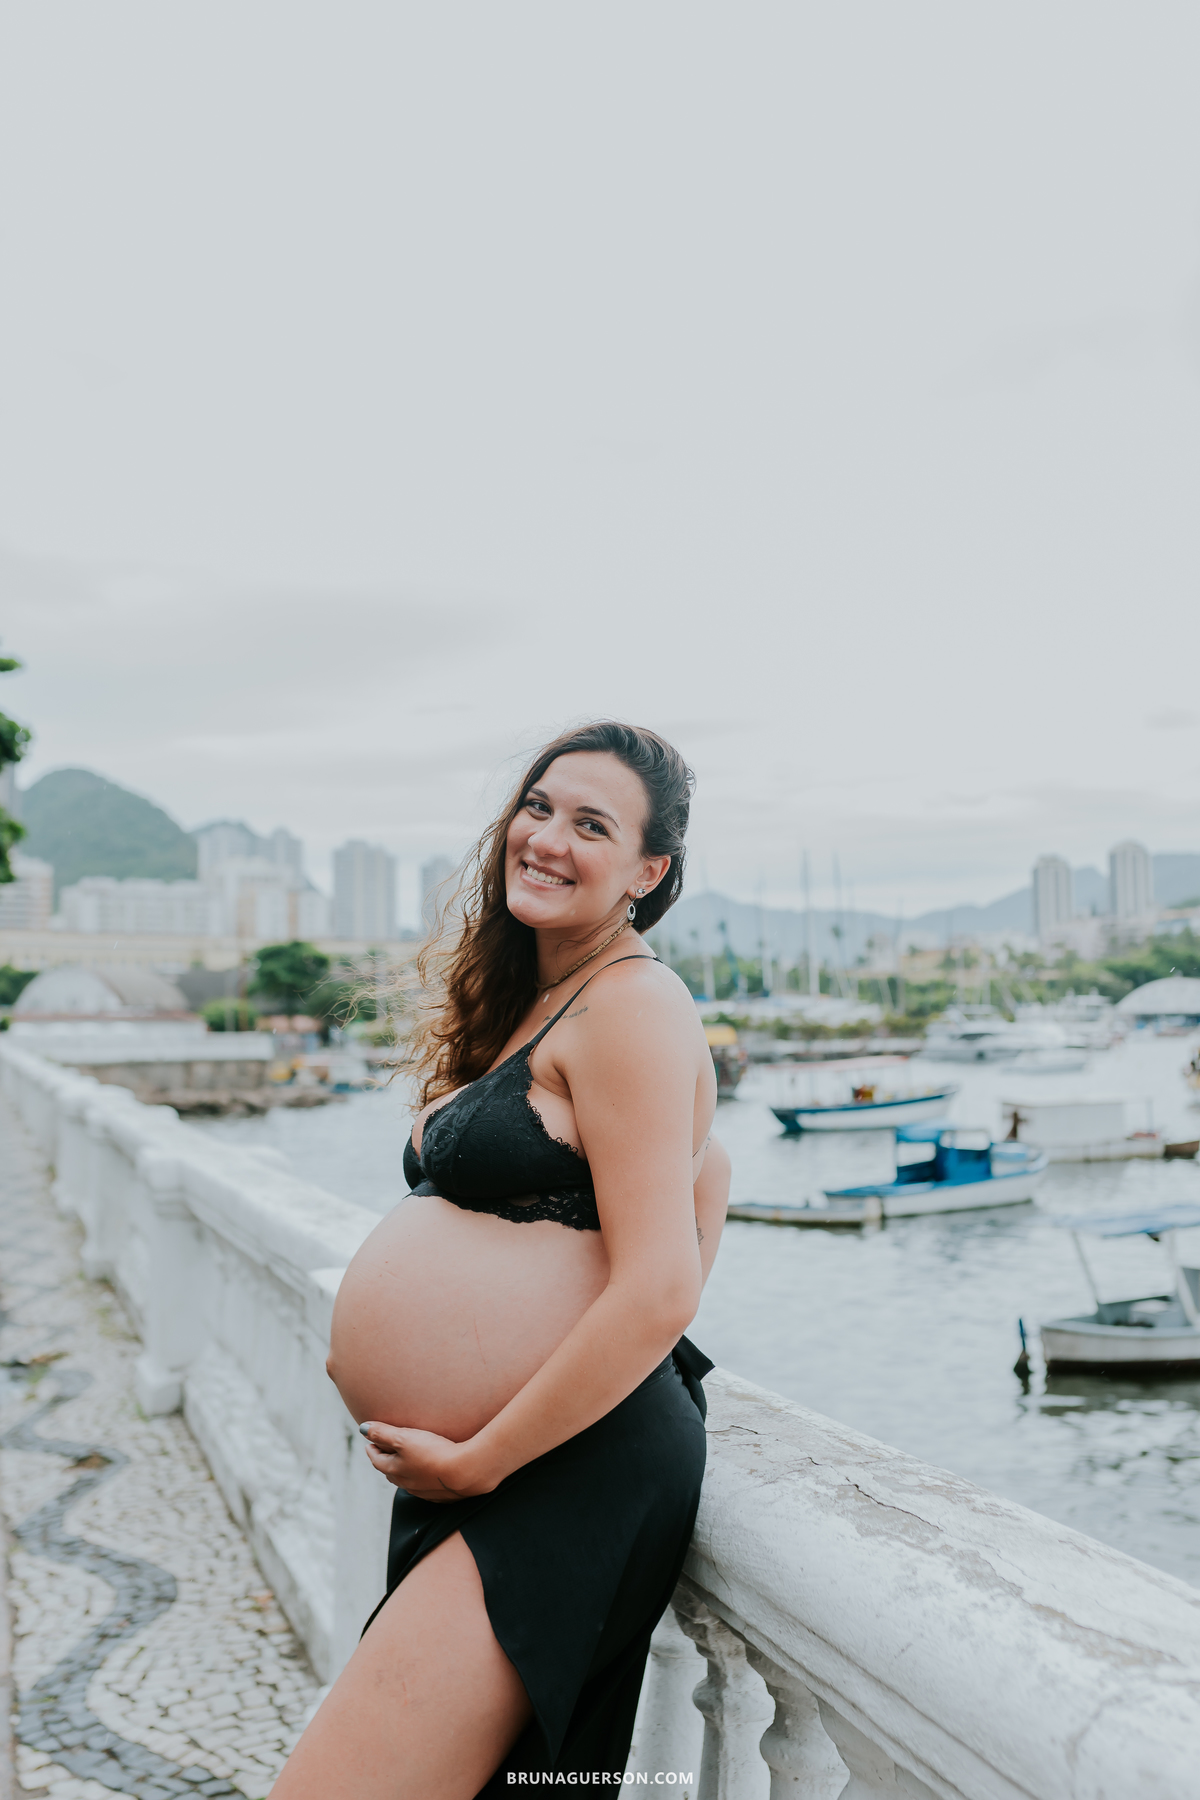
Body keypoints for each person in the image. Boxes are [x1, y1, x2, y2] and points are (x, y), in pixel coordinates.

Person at [273, 721, 729, 1798]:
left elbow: (663, 1286)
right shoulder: (544, 998)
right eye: (538, 806)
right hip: (500, 1466)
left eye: (592, 825)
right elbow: (709, 1177)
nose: (548, 838)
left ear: (648, 872)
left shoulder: (635, 1003)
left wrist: (483, 1460)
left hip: (555, 1473)